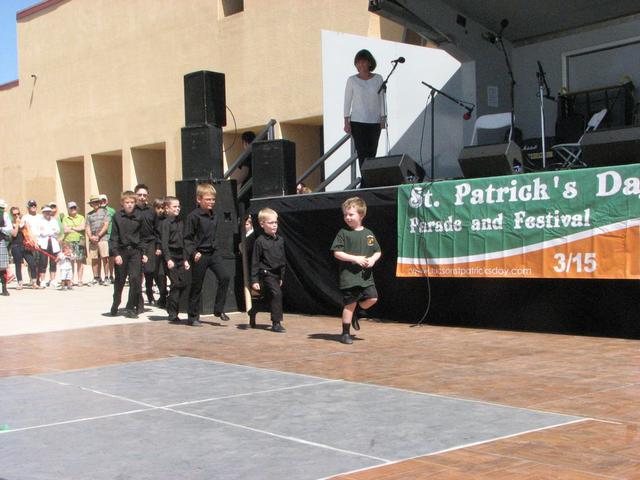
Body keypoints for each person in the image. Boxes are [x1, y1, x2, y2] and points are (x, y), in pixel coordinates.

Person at [331, 197, 381, 345]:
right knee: (349, 304)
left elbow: (377, 251)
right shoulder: (343, 233)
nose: (347, 217)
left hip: (365, 277)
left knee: (372, 298)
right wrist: (355, 258)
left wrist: (372, 259)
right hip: (349, 277)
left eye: (351, 214)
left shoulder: (369, 234)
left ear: (361, 215)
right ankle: (345, 333)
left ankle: (356, 312)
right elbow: (337, 253)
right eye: (345, 214)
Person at [184, 182, 232, 326]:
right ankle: (193, 317)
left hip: (213, 252)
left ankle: (218, 309)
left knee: (225, 277)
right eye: (208, 199)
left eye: (213, 200)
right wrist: (193, 252)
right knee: (197, 285)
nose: (211, 202)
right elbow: (187, 238)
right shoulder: (193, 216)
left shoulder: (214, 215)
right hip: (200, 254)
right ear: (199, 200)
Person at [343, 49, 386, 187]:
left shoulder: (378, 78)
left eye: (363, 61)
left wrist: (383, 117)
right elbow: (347, 101)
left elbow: (382, 99)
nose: (361, 64)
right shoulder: (352, 80)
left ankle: (371, 181)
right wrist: (346, 121)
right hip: (358, 122)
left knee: (372, 152)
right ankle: (366, 182)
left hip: (374, 121)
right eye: (358, 62)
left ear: (369, 62)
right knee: (362, 153)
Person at [109, 191, 147, 318]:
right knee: (120, 280)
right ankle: (116, 302)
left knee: (135, 279)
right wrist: (116, 253)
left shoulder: (140, 216)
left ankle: (130, 307)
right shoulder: (117, 217)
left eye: (132, 202)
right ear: (122, 203)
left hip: (135, 251)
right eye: (127, 203)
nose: (130, 205)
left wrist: (144, 252)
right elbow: (113, 237)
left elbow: (143, 236)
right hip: (122, 251)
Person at [250, 208, 286, 332]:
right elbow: (255, 261)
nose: (274, 225)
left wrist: (281, 276)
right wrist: (254, 280)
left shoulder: (280, 240)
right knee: (277, 295)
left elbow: (282, 260)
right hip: (266, 274)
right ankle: (276, 323)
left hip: (276, 275)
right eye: (271, 223)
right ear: (262, 224)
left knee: (269, 299)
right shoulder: (259, 241)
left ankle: (253, 310)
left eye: (275, 222)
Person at [160, 196, 190, 323]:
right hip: (171, 256)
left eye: (178, 206)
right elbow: (164, 243)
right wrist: (168, 259)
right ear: (167, 209)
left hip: (180, 256)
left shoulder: (181, 222)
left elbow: (184, 242)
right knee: (175, 283)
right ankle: (173, 313)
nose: (177, 208)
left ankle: (170, 304)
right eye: (174, 206)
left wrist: (185, 259)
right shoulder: (165, 223)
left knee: (183, 283)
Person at [134, 184, 158, 308]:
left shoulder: (151, 211)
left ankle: (150, 293)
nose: (142, 197)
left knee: (149, 270)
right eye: (139, 195)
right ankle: (139, 299)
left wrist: (158, 246)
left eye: (144, 195)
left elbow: (157, 228)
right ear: (135, 195)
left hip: (150, 243)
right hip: (137, 244)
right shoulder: (132, 210)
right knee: (138, 271)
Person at [9, 206, 37, 290]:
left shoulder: (24, 223)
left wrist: (34, 242)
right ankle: (20, 283)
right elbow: (14, 234)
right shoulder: (10, 223)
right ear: (12, 215)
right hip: (16, 246)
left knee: (32, 263)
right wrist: (17, 224)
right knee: (18, 265)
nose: (17, 216)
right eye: (14, 214)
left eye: (18, 213)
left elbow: (30, 233)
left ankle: (34, 282)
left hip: (25, 246)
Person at [85, 194, 110, 285]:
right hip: (92, 239)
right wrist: (90, 236)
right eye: (93, 202)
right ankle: (96, 277)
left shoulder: (105, 212)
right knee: (94, 258)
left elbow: (106, 225)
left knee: (105, 257)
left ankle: (106, 277)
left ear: (99, 203)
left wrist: (98, 236)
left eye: (96, 202)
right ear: (91, 204)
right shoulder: (89, 215)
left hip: (103, 238)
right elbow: (87, 226)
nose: (95, 204)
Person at [62, 201, 86, 286]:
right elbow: (65, 230)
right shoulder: (65, 218)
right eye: (71, 208)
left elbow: (82, 227)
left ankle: (79, 280)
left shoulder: (81, 217)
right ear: (68, 209)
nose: (73, 209)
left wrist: (71, 228)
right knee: (70, 261)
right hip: (69, 241)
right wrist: (76, 228)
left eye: (74, 207)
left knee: (80, 260)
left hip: (79, 240)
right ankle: (70, 280)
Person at [37, 205, 61, 287]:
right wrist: (50, 231)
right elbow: (40, 232)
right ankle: (42, 280)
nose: (47, 213)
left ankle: (53, 280)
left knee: (53, 261)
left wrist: (50, 231)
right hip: (43, 242)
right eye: (45, 212)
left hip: (53, 241)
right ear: (43, 213)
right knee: (43, 262)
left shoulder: (54, 220)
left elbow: (57, 230)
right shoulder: (40, 221)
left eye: (49, 211)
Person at [153, 197, 168, 308]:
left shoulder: (167, 220)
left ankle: (165, 296)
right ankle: (163, 295)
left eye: (162, 208)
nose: (161, 210)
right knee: (159, 275)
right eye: (158, 208)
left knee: (164, 274)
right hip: (156, 250)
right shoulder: (153, 219)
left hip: (166, 250)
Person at [99, 194, 116, 284]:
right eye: (101, 200)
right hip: (102, 237)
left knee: (111, 257)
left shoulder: (112, 211)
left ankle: (111, 275)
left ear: (107, 201)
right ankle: (106, 276)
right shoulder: (97, 211)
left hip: (111, 235)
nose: (102, 202)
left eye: (104, 200)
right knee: (104, 257)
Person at [0, 200, 12, 296]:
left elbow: (9, 228)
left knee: (2, 267)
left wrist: (1, 229)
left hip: (0, 240)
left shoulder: (5, 215)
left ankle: (4, 288)